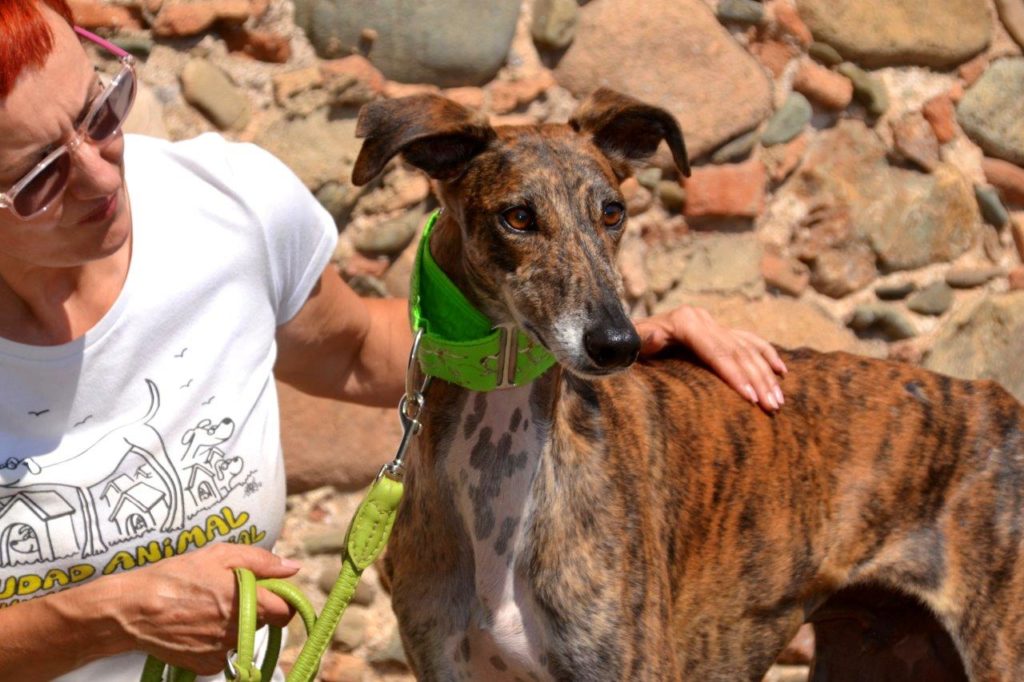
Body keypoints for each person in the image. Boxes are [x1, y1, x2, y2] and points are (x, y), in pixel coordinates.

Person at [0, 1, 786, 679]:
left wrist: (632, 338)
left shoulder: (224, 207)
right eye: (39, 176)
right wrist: (101, 619)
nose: (103, 177)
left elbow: (355, 351)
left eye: (102, 111)